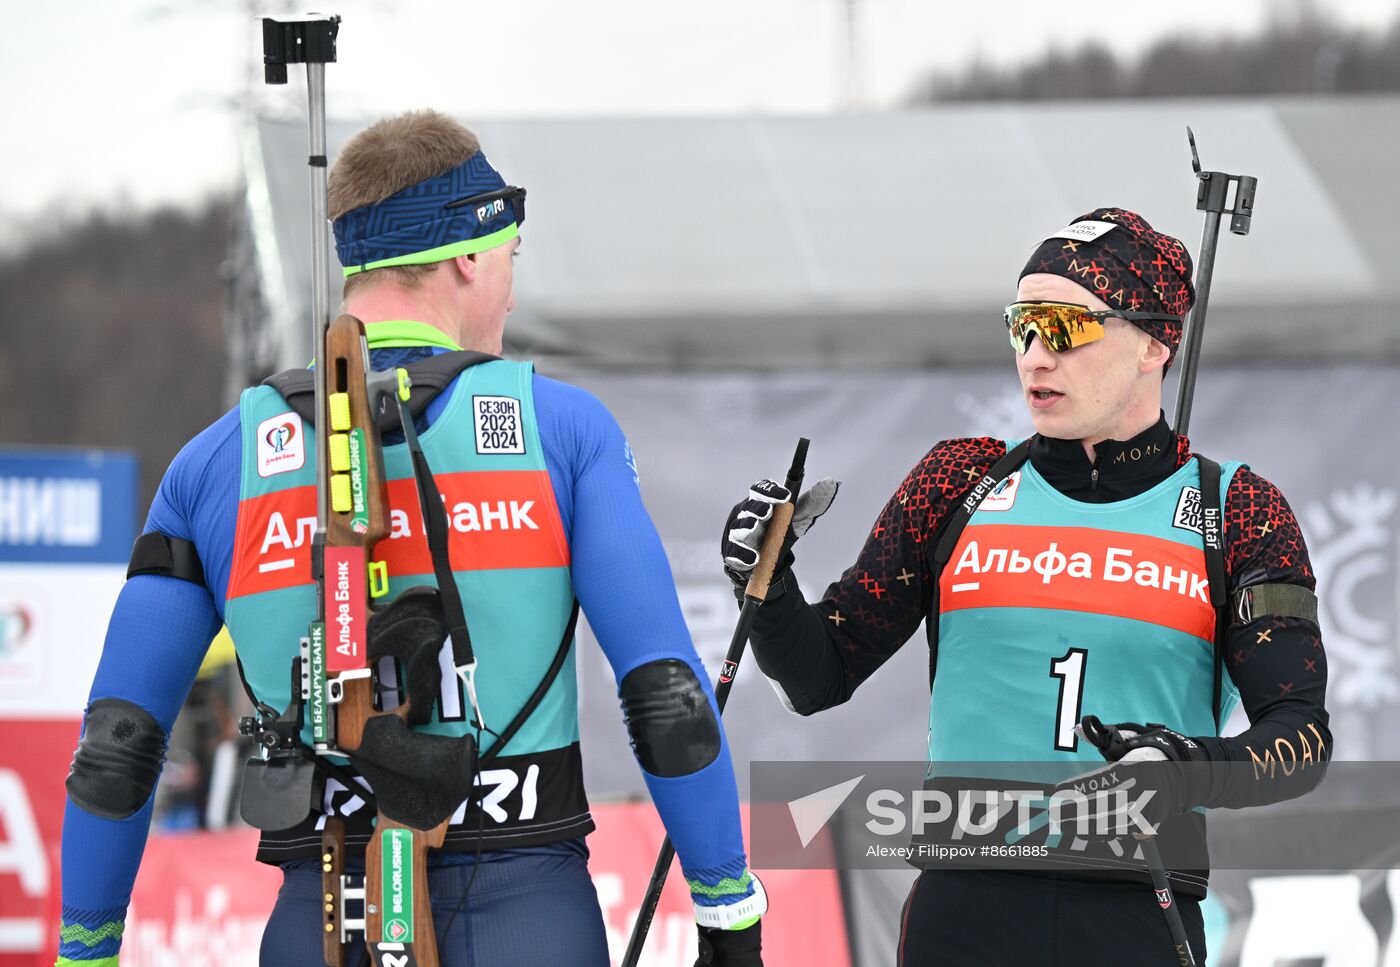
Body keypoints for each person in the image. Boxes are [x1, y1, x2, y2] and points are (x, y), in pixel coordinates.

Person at [57, 109, 764, 967]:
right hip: (528, 912)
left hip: (319, 918)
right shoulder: (562, 428)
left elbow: (117, 746)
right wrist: (729, 914)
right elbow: (666, 697)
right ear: (470, 254)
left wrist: (86, 953)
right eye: (511, 259)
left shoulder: (215, 461)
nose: (510, 289)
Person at [722, 208, 1331, 965]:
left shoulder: (1234, 509)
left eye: (1065, 327)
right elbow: (821, 672)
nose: (1036, 357)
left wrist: (1182, 768)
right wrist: (770, 585)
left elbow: (1300, 738)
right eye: (1022, 327)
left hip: (1136, 902)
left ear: (1155, 341)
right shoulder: (960, 481)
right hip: (966, 905)